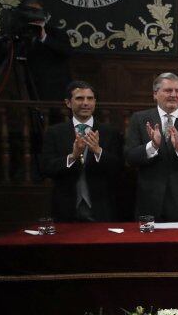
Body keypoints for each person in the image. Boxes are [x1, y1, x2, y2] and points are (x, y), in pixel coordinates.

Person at [124, 72, 178, 221]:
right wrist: (153, 146)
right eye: (168, 90)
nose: (174, 95)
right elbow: (130, 157)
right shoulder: (139, 119)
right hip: (149, 201)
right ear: (155, 94)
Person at [38, 81, 123, 222]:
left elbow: (118, 168)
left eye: (90, 99)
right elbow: (46, 168)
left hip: (102, 208)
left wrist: (98, 151)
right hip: (65, 208)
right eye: (79, 98)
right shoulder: (54, 132)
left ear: (95, 102)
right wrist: (73, 156)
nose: (85, 103)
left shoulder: (110, 132)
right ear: (68, 103)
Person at [11, 0, 72, 102]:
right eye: (29, 11)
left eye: (35, 11)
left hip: (55, 88)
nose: (32, 14)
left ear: (44, 13)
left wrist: (44, 37)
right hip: (29, 85)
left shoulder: (56, 33)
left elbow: (66, 51)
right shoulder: (20, 33)